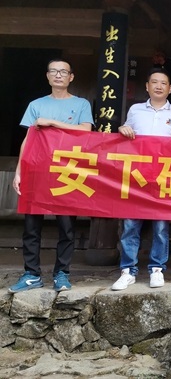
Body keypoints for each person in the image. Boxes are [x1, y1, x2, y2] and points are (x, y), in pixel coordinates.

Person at [9, 59, 93, 293]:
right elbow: (28, 140)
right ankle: (31, 274)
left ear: (71, 77)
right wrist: (19, 171)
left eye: (63, 72)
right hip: (36, 170)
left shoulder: (81, 103)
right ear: (47, 76)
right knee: (31, 226)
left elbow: (86, 130)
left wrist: (52, 123)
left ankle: (62, 273)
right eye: (54, 71)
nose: (58, 75)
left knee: (66, 226)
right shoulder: (36, 105)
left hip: (67, 171)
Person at [111, 68, 171, 291]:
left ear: (170, 88)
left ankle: (157, 269)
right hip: (136, 176)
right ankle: (128, 271)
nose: (158, 86)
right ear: (147, 86)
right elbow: (126, 134)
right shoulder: (135, 110)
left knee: (161, 227)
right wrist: (123, 129)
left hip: (163, 177)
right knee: (130, 225)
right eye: (154, 82)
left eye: (163, 83)